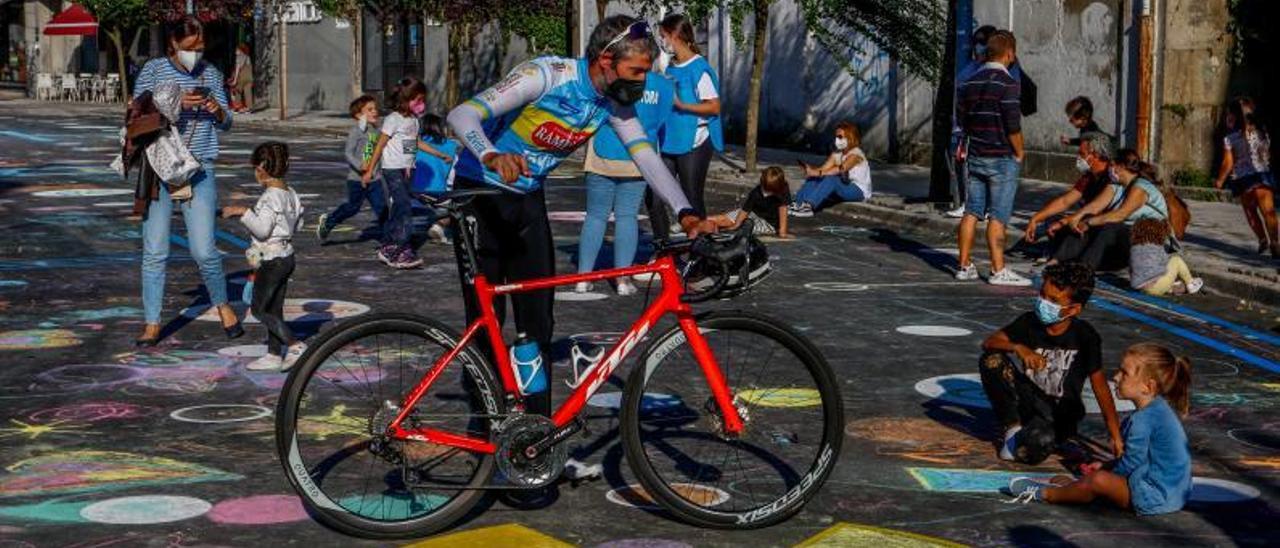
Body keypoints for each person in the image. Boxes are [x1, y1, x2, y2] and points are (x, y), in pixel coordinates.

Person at [445, 14, 715, 423]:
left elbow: (646, 157)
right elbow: (461, 116)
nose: (642, 82)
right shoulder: (547, 75)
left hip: (526, 199)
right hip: (478, 194)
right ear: (606, 60)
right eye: (635, 71)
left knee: (537, 323)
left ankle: (534, 436)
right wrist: (490, 154)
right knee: (486, 323)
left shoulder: (613, 103)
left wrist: (687, 213)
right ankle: (486, 429)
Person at [132, 16, 241, 346]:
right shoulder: (153, 70)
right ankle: (152, 322)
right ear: (173, 45)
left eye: (202, 46)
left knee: (204, 249)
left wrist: (216, 109)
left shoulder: (211, 73)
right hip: (159, 166)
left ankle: (223, 304)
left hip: (200, 167)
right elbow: (137, 113)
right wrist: (176, 103)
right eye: (190, 47)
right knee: (155, 250)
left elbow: (227, 122)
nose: (197, 53)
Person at [1008, 343, 1192, 516]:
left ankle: (1047, 494)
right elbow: (1142, 459)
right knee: (1098, 477)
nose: (1116, 377)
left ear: (1148, 386)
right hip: (1173, 494)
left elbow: (1132, 463)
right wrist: (1106, 465)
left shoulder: (1143, 420)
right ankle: (1076, 488)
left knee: (1098, 481)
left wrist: (1102, 475)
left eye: (1124, 373)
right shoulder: (1158, 410)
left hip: (1154, 497)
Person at [979, 261, 1123, 465]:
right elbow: (990, 342)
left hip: (1059, 412)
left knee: (1034, 447)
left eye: (1053, 300)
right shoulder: (1029, 322)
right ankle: (1012, 428)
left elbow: (1100, 385)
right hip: (1028, 399)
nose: (1043, 302)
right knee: (992, 360)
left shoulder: (1085, 336)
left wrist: (1115, 435)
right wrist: (1019, 347)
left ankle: (1040, 437)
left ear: (1073, 309)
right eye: (1042, 295)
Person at [576, 70, 676, 296]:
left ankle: (582, 278)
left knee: (595, 215)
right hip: (638, 154)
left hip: (602, 150)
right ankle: (622, 279)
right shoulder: (663, 85)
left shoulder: (610, 76)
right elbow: (662, 120)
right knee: (627, 217)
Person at [954, 30, 1032, 286]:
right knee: (998, 215)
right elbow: (1013, 124)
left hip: (976, 154)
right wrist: (1019, 152)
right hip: (1002, 157)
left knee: (972, 211)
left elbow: (962, 120)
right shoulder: (1008, 84)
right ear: (1009, 53)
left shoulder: (968, 83)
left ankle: (964, 265)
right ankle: (998, 270)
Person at [220, 142, 306, 371]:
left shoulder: (270, 197)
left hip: (272, 260)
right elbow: (300, 220)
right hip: (286, 255)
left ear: (261, 168)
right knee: (275, 308)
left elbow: (262, 230)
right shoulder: (290, 193)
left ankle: (294, 344)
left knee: (259, 309)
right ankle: (274, 354)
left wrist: (244, 212)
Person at [646, 13, 722, 241]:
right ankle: (663, 249)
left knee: (691, 198)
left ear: (675, 35)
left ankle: (701, 250)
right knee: (655, 195)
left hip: (695, 141)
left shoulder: (699, 68)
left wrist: (681, 105)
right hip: (669, 140)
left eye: (663, 36)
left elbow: (714, 107)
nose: (662, 41)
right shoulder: (670, 66)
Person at [1053, 149, 1170, 271]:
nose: (1109, 169)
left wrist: (1088, 222)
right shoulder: (1115, 186)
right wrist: (1075, 218)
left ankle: (1083, 271)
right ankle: (1056, 260)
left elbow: (1120, 215)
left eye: (1112, 165)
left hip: (1151, 241)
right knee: (1083, 225)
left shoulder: (1141, 187)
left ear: (1121, 167)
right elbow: (1094, 207)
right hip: (1126, 243)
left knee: (1109, 227)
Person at [363, 77, 429, 269]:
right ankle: (398, 248)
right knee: (404, 207)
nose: (421, 104)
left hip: (406, 169)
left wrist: (410, 163)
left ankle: (390, 245)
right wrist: (369, 169)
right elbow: (380, 144)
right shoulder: (393, 119)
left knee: (401, 208)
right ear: (406, 99)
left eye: (422, 100)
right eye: (417, 100)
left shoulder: (414, 121)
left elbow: (410, 144)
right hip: (391, 168)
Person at [1024, 133, 1116, 251]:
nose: (1078, 158)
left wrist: (1066, 221)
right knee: (1052, 220)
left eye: (1082, 154)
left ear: (1095, 155)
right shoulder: (1088, 177)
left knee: (1068, 226)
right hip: (1084, 218)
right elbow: (1065, 201)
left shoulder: (1111, 176)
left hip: (1101, 223)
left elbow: (1099, 211)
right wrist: (1036, 218)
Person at [317, 95, 386, 242]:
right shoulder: (356, 131)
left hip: (375, 178)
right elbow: (348, 152)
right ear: (359, 115)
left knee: (382, 209)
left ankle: (389, 238)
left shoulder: (377, 131)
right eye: (370, 109)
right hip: (356, 179)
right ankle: (329, 222)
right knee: (353, 207)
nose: (375, 112)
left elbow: (377, 153)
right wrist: (360, 166)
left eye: (375, 109)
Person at [945, 24, 998, 218]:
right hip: (969, 126)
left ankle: (989, 208)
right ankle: (973, 206)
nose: (978, 47)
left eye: (982, 43)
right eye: (976, 43)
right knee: (971, 169)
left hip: (988, 126)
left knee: (990, 170)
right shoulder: (973, 66)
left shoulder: (995, 69)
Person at [1214, 97, 1276, 258]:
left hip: (1243, 179)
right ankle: (1275, 242)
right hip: (1262, 175)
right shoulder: (1262, 132)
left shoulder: (1230, 138)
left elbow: (1228, 163)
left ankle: (1262, 239)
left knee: (1251, 212)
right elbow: (1267, 153)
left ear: (1233, 116)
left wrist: (1220, 180)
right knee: (1268, 211)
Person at [789, 122, 871, 217]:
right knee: (814, 178)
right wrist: (811, 171)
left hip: (858, 190)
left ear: (850, 137)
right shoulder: (837, 153)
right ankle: (797, 203)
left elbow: (841, 169)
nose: (837, 140)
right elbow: (823, 169)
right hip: (845, 186)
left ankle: (808, 207)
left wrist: (817, 172)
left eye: (840, 137)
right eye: (836, 137)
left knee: (832, 179)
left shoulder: (856, 154)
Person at [411, 113, 459, 245]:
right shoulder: (452, 146)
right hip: (439, 191)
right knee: (461, 205)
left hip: (413, 191)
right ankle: (440, 226)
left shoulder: (411, 144)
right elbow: (453, 175)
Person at [709, 166, 792, 237]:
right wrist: (736, 224)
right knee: (727, 219)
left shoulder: (783, 189)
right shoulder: (756, 192)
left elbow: (783, 209)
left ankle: (714, 228)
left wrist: (782, 232)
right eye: (764, 189)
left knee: (745, 227)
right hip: (753, 213)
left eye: (769, 191)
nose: (765, 193)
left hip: (768, 223)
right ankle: (703, 220)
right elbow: (745, 209)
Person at [1129, 219, 1202, 296]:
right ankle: (1190, 283)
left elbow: (1132, 269)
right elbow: (1166, 260)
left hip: (1143, 288)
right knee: (1176, 260)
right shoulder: (1155, 246)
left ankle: (1170, 287)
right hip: (1157, 286)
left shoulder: (1134, 248)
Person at [228, 43, 253, 113]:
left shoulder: (239, 57)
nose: (236, 51)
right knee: (248, 93)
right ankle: (249, 109)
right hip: (249, 77)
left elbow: (238, 68)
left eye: (237, 49)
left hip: (241, 78)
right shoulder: (247, 57)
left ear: (240, 50)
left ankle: (236, 108)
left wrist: (235, 80)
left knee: (237, 91)